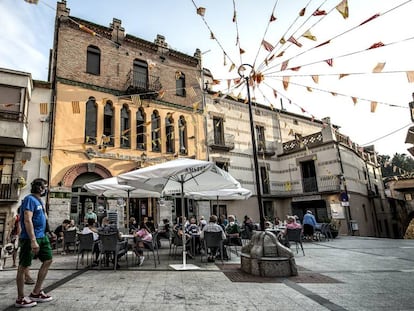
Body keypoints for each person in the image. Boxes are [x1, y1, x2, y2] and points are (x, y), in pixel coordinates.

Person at [15, 178, 53, 308]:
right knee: (23, 266)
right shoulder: (29, 200)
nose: (47, 189)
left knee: (48, 260)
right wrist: (33, 240)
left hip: (42, 236)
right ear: (39, 188)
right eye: (45, 187)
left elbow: (43, 218)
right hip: (30, 238)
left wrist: (49, 231)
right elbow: (27, 220)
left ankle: (36, 292)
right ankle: (20, 298)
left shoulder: (40, 201)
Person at [7, 208, 35, 285]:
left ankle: (25, 274)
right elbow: (11, 227)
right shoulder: (17, 217)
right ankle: (25, 275)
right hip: (17, 236)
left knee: (23, 254)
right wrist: (9, 236)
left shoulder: (25, 217)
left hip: (22, 237)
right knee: (17, 251)